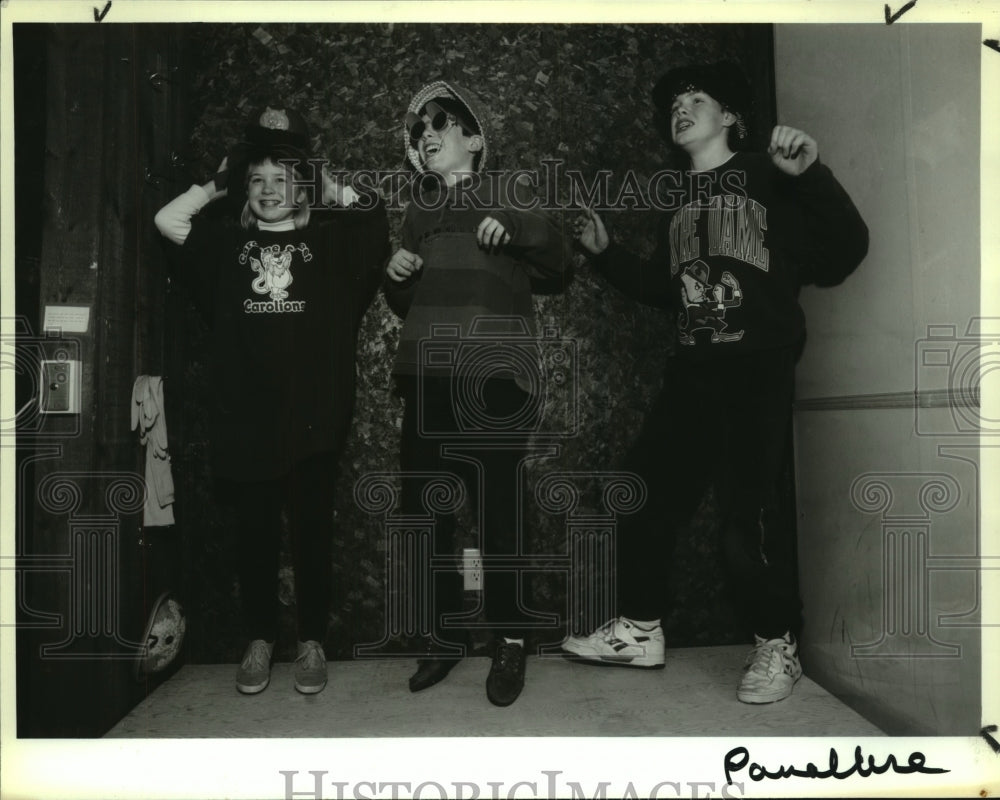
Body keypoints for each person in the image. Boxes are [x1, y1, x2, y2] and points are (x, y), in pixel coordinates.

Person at [564, 62, 869, 703]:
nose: (681, 107)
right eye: (674, 102)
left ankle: (776, 642)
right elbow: (664, 289)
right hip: (693, 370)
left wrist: (811, 173)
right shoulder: (676, 197)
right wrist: (604, 252)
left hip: (757, 367)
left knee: (743, 516)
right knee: (641, 494)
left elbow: (846, 248)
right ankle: (641, 629)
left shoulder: (768, 173)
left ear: (729, 116)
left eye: (696, 98)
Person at [154, 104, 390, 695]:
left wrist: (328, 185)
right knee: (254, 536)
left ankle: (312, 641)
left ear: (302, 187)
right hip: (247, 420)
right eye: (257, 179)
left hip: (313, 419)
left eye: (282, 179)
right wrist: (217, 184)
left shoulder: (330, 245)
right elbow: (167, 219)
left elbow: (372, 215)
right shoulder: (225, 246)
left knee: (312, 535)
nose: (267, 190)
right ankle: (259, 638)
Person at [384, 80, 568, 707]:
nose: (425, 135)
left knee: (499, 511)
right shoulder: (420, 211)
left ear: (474, 138)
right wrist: (396, 275)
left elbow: (559, 258)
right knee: (426, 511)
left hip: (493, 377)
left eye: (438, 123)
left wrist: (511, 225)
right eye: (418, 131)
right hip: (426, 374)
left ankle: (512, 639)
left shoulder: (510, 191)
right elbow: (404, 300)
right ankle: (442, 638)